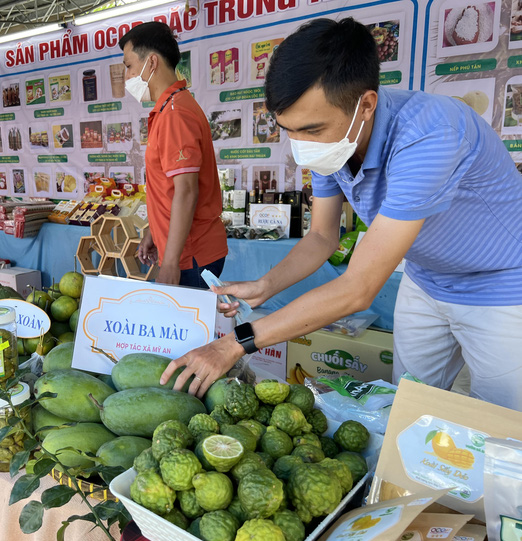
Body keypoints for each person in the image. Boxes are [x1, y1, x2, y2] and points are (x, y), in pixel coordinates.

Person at [161, 17, 522, 411]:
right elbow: (321, 237)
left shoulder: (429, 133)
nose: (301, 147)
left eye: (312, 131)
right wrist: (265, 286)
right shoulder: (335, 140)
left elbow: (358, 288)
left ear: (365, 105)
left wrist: (235, 343)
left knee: (501, 425)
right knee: (412, 404)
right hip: (426, 279)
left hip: (501, 285)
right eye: (289, 130)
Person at [119, 22, 228, 288]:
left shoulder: (175, 114)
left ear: (152, 62)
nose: (127, 76)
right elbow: (168, 189)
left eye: (129, 66)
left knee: (187, 328)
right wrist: (154, 233)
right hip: (185, 251)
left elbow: (187, 191)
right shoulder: (170, 108)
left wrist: (170, 264)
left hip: (191, 256)